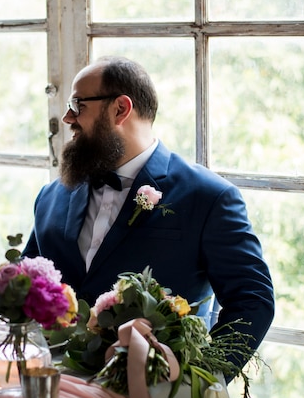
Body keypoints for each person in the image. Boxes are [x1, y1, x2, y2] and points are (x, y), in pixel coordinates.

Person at [22, 56, 275, 367]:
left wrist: (197, 381)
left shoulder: (209, 197)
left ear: (120, 109)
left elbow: (252, 302)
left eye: (78, 105)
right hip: (53, 391)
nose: (67, 118)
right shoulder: (52, 195)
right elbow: (27, 281)